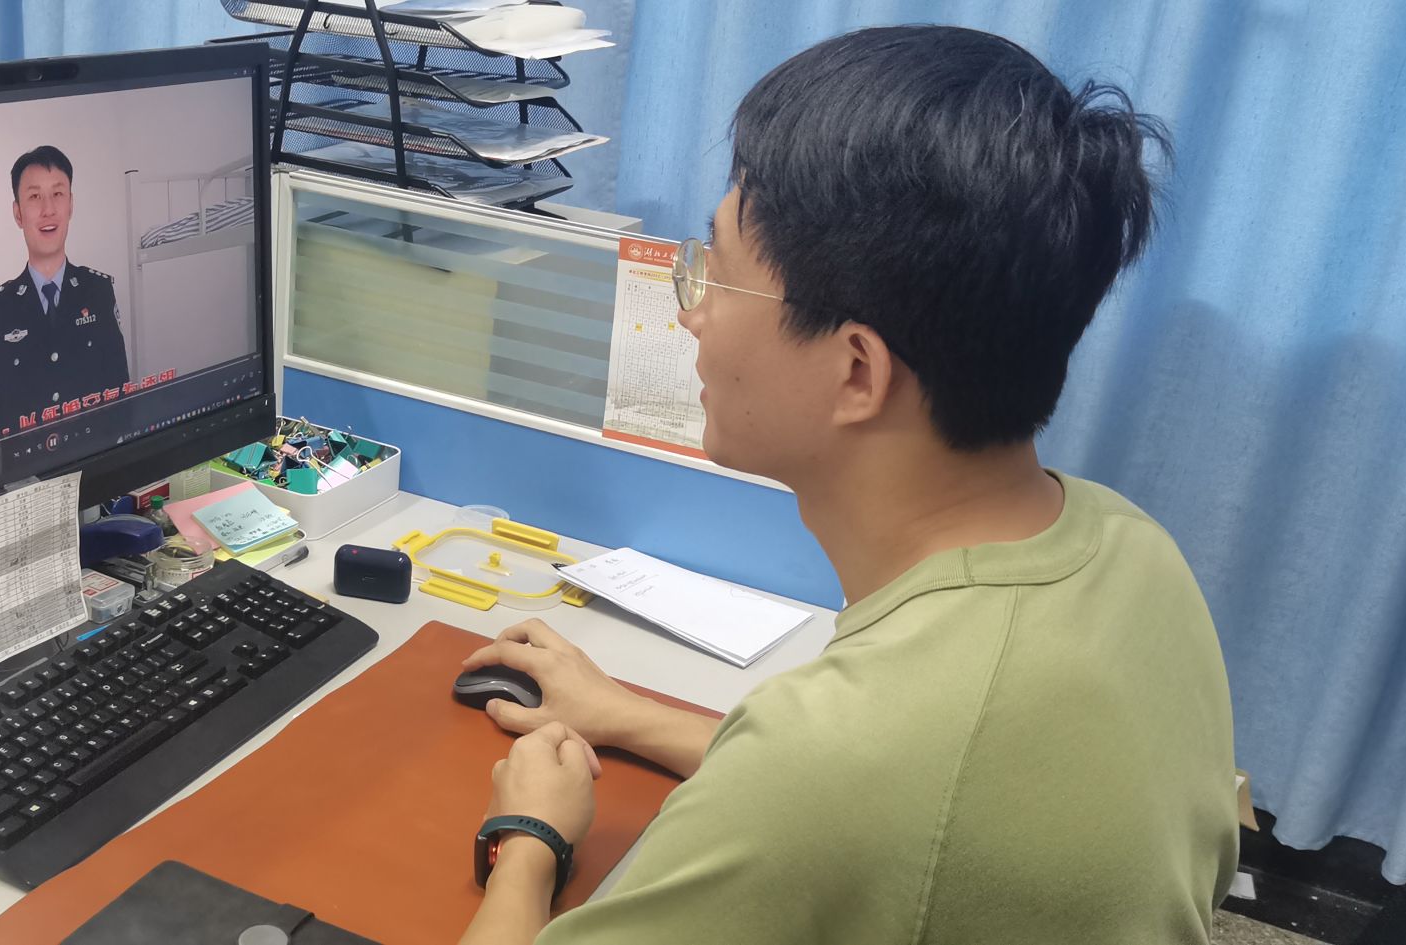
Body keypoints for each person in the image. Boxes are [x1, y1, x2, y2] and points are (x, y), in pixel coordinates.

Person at [459, 26, 1239, 945]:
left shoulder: (840, 755)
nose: (693, 316)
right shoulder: (1130, 545)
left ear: (856, 371)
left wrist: (531, 837)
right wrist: (632, 717)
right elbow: (925, 806)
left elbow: (854, 783)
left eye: (717, 275)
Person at [0, 145, 129, 440]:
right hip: (26, 469)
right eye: (34, 196)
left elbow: (121, 404)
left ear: (70, 205)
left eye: (57, 193)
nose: (48, 209)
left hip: (97, 462)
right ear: (18, 213)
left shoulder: (99, 293)